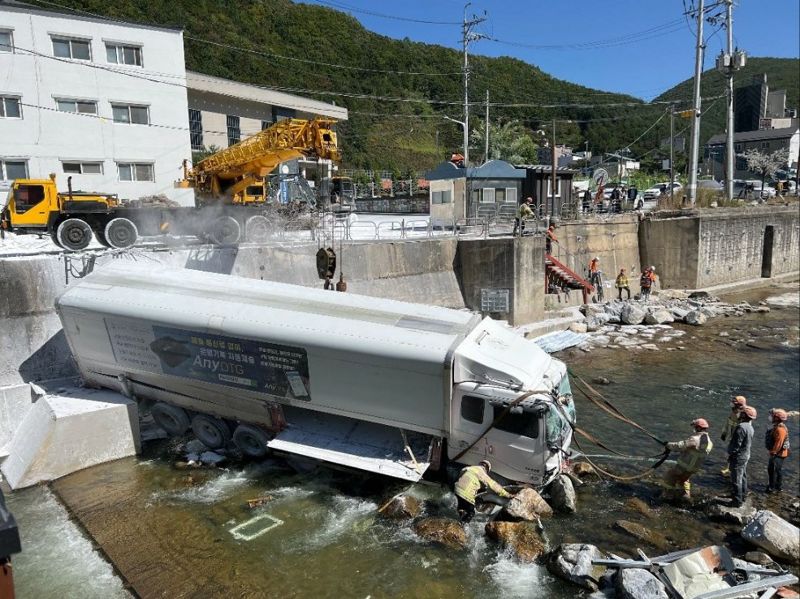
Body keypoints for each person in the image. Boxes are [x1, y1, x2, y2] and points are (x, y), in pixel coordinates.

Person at [662, 418, 713, 502]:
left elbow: (680, 446)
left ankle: (667, 496)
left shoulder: (695, 439)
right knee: (683, 480)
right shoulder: (709, 442)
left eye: (695, 427)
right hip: (693, 469)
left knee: (670, 476)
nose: (694, 429)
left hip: (684, 466)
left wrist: (667, 444)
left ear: (699, 428)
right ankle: (686, 497)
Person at [727, 405, 756, 507]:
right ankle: (742, 496)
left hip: (738, 456)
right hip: (746, 455)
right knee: (743, 476)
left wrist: (731, 454)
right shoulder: (750, 427)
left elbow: (736, 445)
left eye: (741, 412)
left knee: (736, 479)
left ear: (744, 415)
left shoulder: (741, 427)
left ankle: (737, 501)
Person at [720, 396, 747, 476]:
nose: (731, 404)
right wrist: (724, 433)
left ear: (739, 405)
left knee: (736, 454)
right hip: (732, 436)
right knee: (730, 452)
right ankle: (728, 468)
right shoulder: (733, 412)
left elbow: (745, 430)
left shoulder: (744, 415)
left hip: (739, 439)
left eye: (733, 403)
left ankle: (732, 470)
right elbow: (728, 422)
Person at [765, 409, 790, 493]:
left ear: (776, 418)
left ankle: (774, 487)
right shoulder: (776, 426)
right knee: (773, 470)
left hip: (778, 454)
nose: (770, 417)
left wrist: (773, 453)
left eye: (772, 416)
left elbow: (778, 444)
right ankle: (776, 486)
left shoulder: (780, 429)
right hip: (777, 453)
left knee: (775, 470)